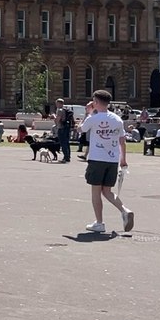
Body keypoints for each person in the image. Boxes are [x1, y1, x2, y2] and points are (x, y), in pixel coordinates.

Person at [82, 89, 133, 234]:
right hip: (112, 159)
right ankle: (124, 210)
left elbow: (81, 129)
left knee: (96, 191)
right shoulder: (117, 119)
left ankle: (99, 222)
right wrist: (123, 159)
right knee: (107, 191)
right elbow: (122, 141)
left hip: (97, 158)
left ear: (96, 102)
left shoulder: (93, 118)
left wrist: (88, 113)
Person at [54, 98, 74, 162]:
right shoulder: (66, 110)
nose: (56, 104)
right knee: (67, 142)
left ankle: (65, 157)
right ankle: (68, 156)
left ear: (59, 103)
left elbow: (58, 119)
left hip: (61, 127)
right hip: (67, 127)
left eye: (56, 103)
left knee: (63, 143)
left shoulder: (59, 110)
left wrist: (54, 118)